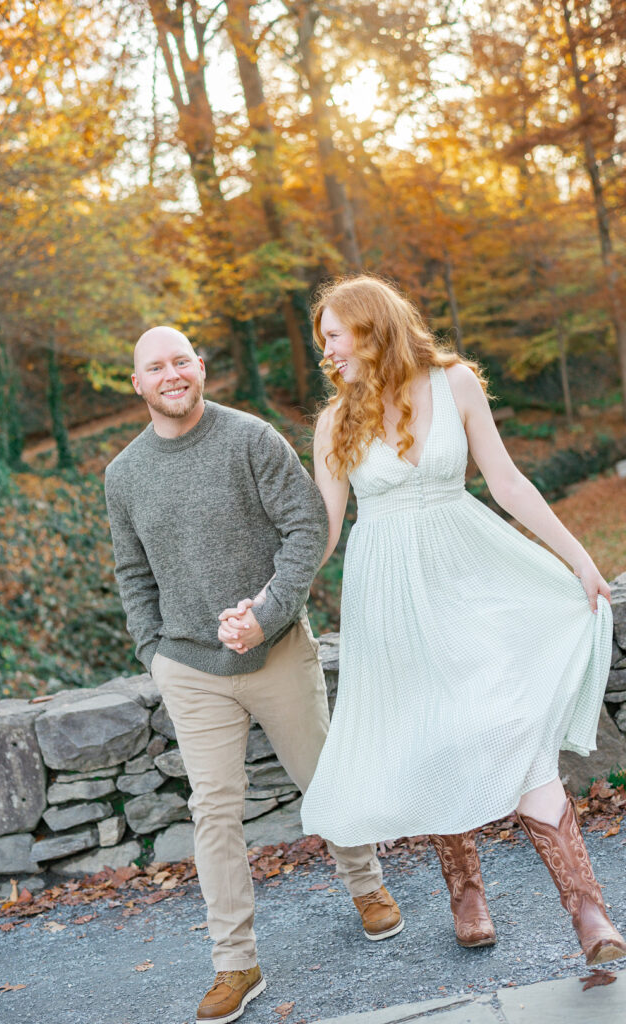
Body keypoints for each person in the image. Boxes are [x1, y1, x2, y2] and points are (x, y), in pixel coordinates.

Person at [295, 275, 626, 967]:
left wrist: (577, 559)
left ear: (370, 327)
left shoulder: (455, 386)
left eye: (333, 334)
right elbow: (323, 531)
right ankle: (464, 890)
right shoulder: (335, 421)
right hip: (386, 595)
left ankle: (586, 909)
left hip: (467, 573)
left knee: (508, 722)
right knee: (431, 735)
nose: (324, 348)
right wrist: (272, 595)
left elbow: (506, 482)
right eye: (321, 336)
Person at [104, 326, 401, 1024]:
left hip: (277, 652)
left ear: (199, 368)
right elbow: (130, 572)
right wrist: (153, 650)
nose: (171, 374)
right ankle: (234, 964)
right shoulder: (124, 475)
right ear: (138, 384)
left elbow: (304, 528)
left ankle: (366, 885)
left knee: (321, 777)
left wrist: (267, 613)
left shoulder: (250, 439)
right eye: (156, 367)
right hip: (190, 669)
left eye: (182, 361)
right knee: (212, 811)